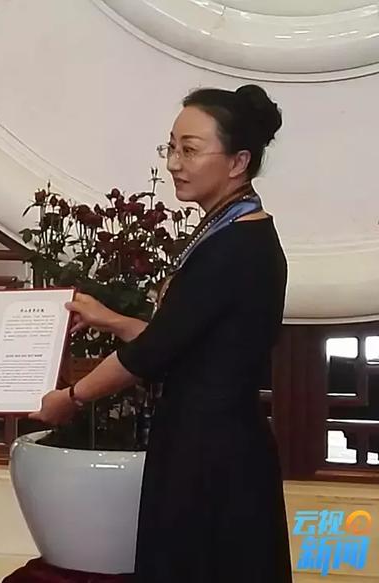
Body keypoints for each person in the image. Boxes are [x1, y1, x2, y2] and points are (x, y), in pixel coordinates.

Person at [31, 84, 292, 582]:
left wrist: (71, 397)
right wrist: (111, 318)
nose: (174, 162)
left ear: (238, 162)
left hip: (210, 453)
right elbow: (186, 337)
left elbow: (154, 352)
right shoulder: (230, 229)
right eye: (171, 147)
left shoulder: (237, 244)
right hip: (207, 438)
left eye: (190, 150)